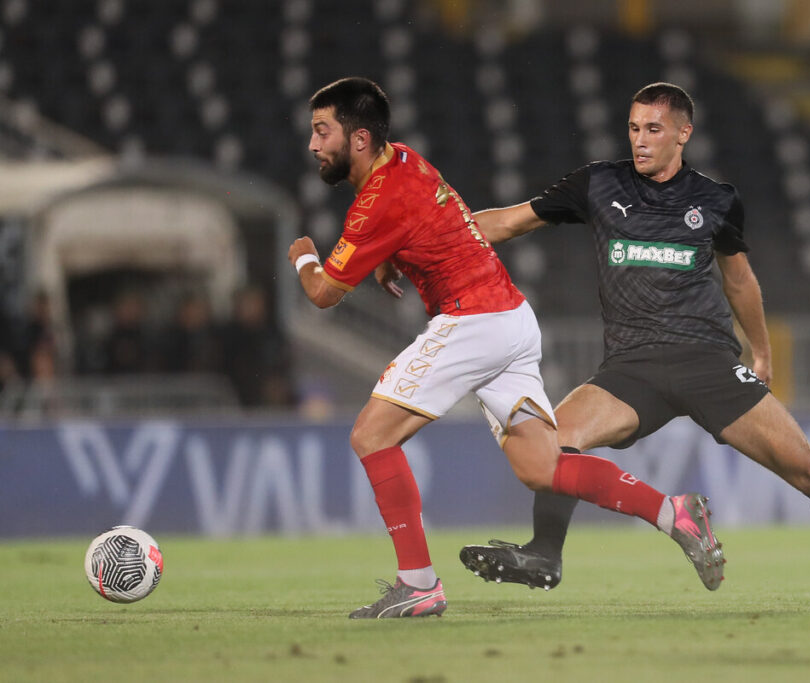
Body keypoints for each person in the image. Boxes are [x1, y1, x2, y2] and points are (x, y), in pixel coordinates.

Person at [459, 82, 810, 606]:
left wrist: (762, 353)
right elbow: (507, 222)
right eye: (633, 128)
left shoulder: (715, 200)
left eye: (653, 129)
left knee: (808, 469)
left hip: (706, 362)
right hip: (631, 369)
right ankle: (545, 555)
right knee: (554, 443)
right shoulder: (598, 184)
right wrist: (432, 239)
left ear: (683, 134)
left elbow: (740, 281)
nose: (639, 140)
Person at [289, 77, 726, 619]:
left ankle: (418, 583)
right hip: (512, 320)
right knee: (543, 468)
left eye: (321, 131)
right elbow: (428, 219)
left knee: (371, 435)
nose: (313, 145)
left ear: (357, 139)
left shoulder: (376, 201)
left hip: (473, 320)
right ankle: (674, 512)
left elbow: (324, 294)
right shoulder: (403, 159)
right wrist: (388, 257)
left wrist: (304, 256)